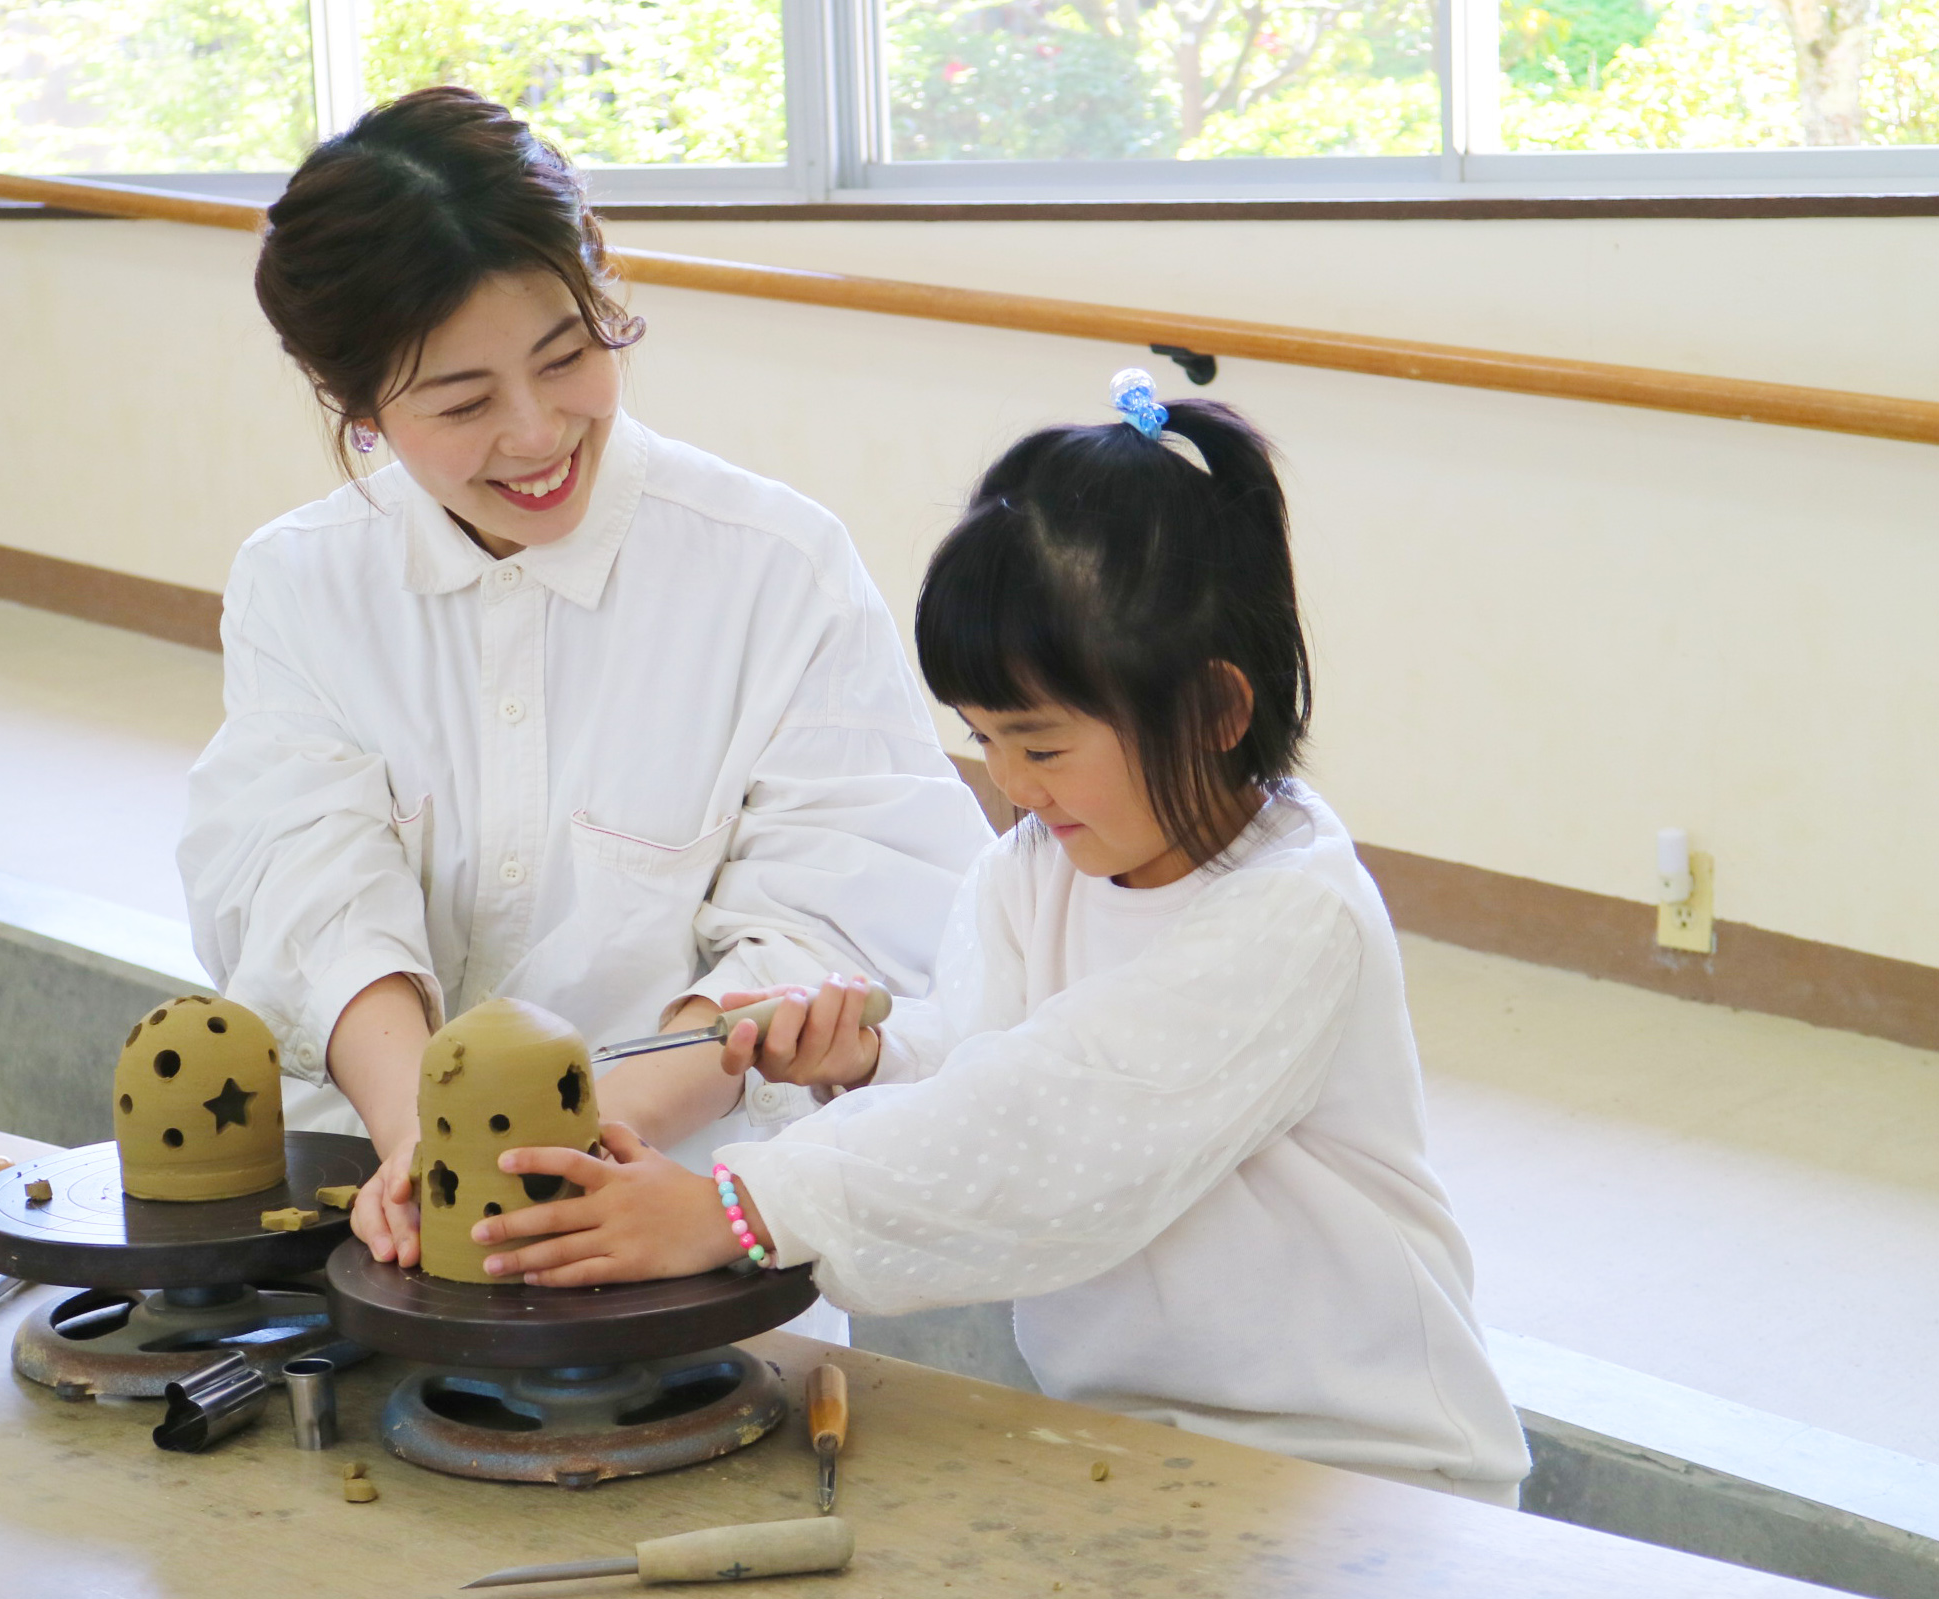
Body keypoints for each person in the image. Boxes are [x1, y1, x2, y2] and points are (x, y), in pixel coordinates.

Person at [467, 372, 1533, 1506]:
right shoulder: (1036, 867)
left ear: (1218, 713)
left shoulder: (1292, 915)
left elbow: (1053, 1116)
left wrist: (741, 1205)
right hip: (1138, 1441)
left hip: (1360, 1467)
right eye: (982, 740)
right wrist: (872, 1058)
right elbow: (982, 1059)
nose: (1011, 787)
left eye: (1042, 744)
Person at [177, 87, 993, 1283]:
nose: (535, 432)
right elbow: (305, 890)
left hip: (669, 1235)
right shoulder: (302, 585)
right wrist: (423, 1140)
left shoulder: (774, 568)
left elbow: (839, 903)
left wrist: (601, 1140)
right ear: (358, 411)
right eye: (461, 403)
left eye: (566, 357)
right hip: (394, 1230)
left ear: (601, 296)